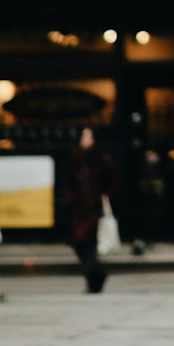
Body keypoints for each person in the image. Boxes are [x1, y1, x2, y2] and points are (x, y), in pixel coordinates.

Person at [66, 125, 119, 294]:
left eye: (86, 136)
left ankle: (93, 278)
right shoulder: (76, 158)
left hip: (94, 209)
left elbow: (113, 182)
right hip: (78, 209)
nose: (83, 139)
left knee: (89, 245)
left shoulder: (102, 160)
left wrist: (105, 196)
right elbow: (68, 182)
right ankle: (96, 275)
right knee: (78, 242)